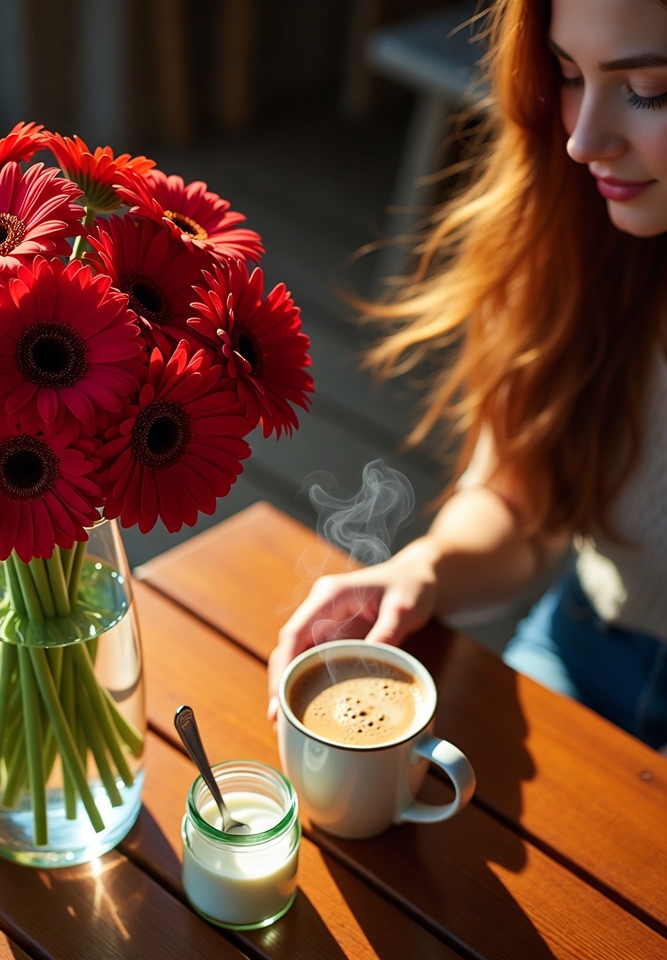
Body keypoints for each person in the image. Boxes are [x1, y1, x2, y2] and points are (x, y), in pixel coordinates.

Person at [268, 0, 667, 750]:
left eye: (648, 87)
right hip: (588, 644)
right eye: (570, 75)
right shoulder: (575, 245)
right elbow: (520, 506)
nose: (583, 142)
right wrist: (426, 569)